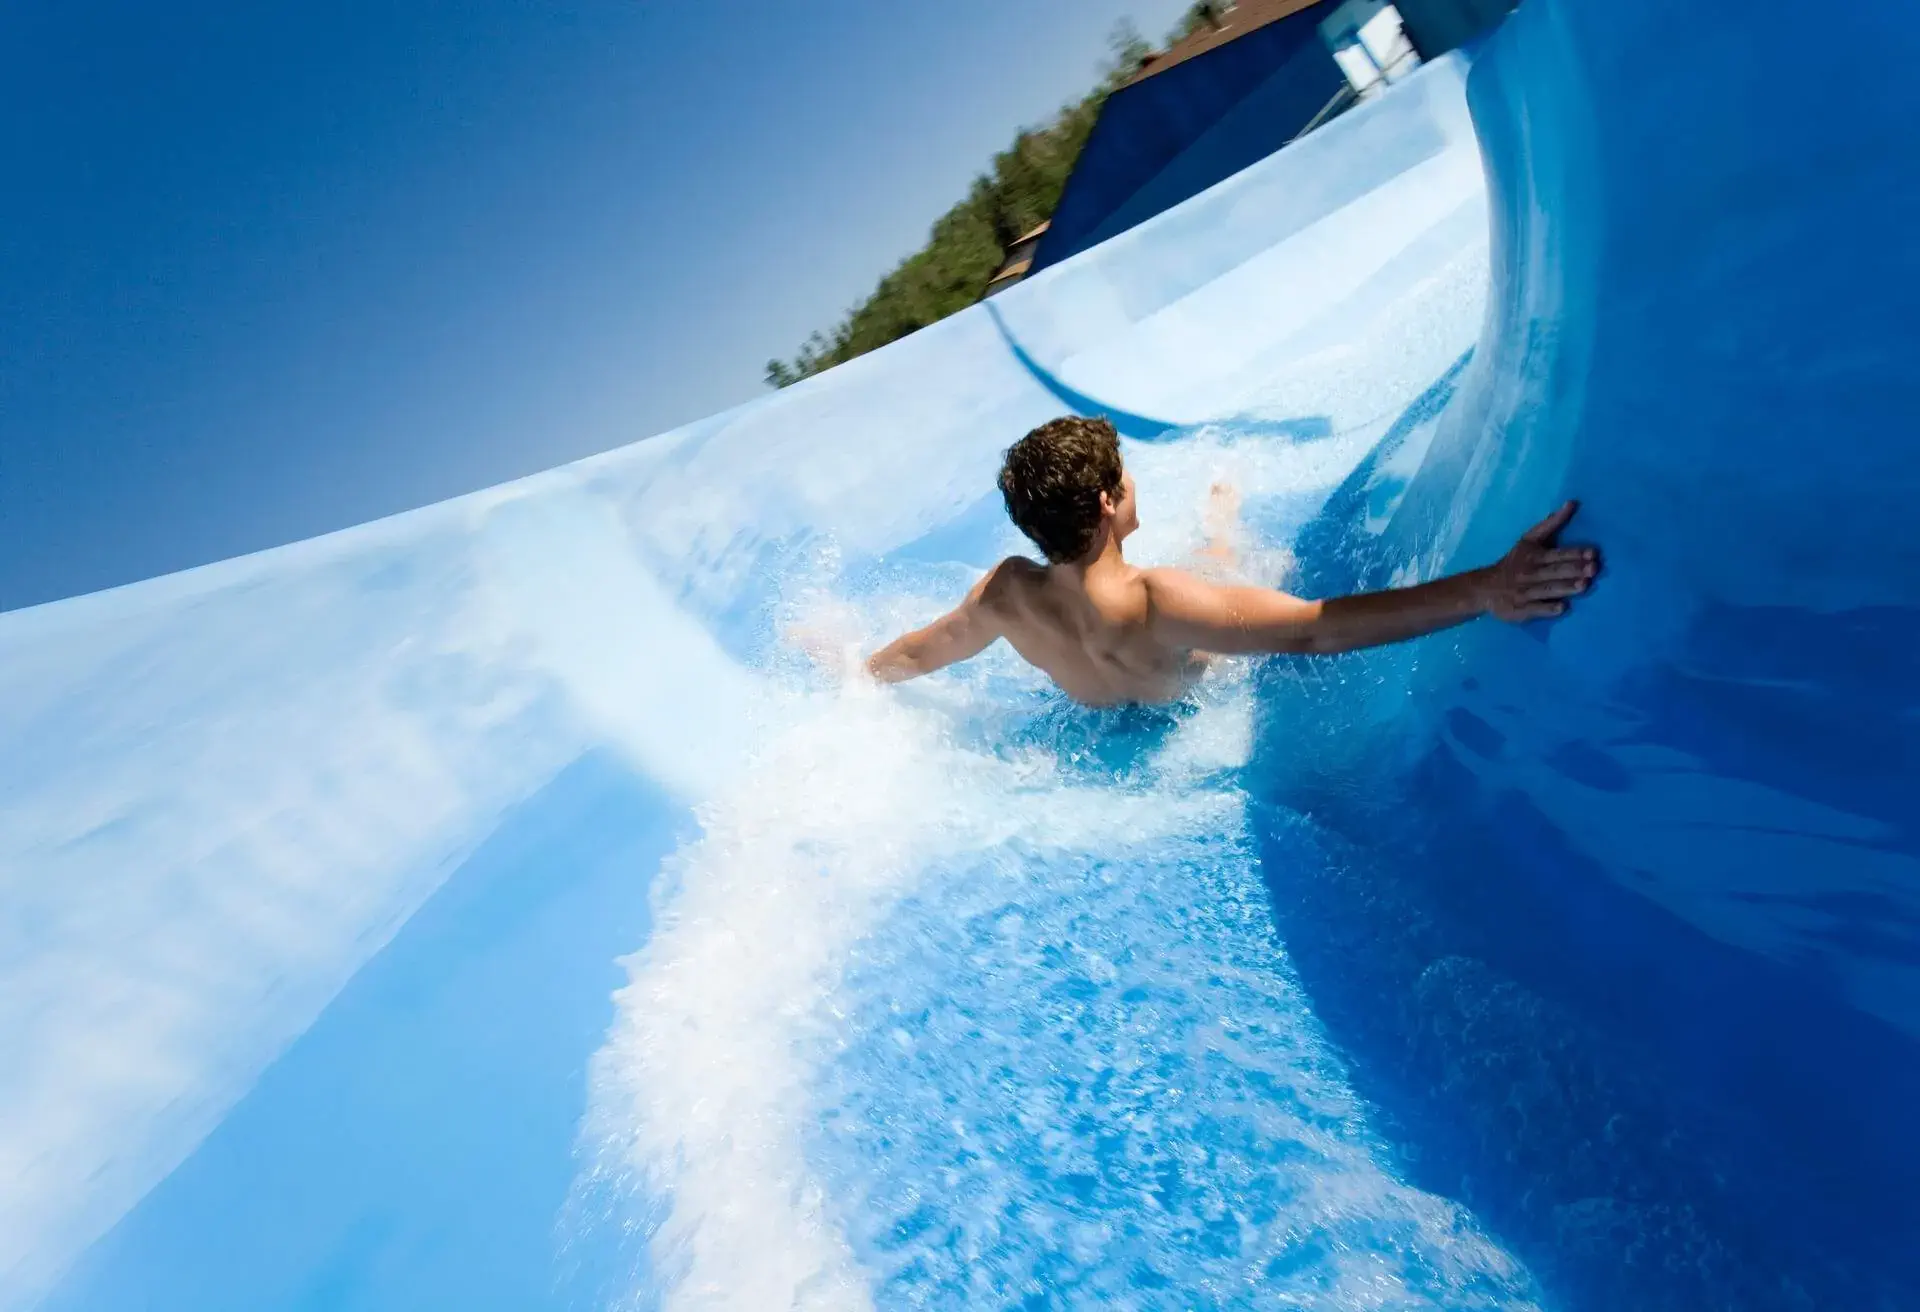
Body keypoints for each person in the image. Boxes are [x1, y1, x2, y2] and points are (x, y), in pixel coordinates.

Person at [858, 415, 1600, 707]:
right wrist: (1487, 589)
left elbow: (925, 652)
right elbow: (1317, 630)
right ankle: (1224, 518)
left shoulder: (1004, 595)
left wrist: (857, 679)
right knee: (1231, 565)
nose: (1131, 482)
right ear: (1109, 505)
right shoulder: (1160, 601)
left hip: (1103, 712)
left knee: (1212, 571)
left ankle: (1222, 520)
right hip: (1187, 682)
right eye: (1124, 476)